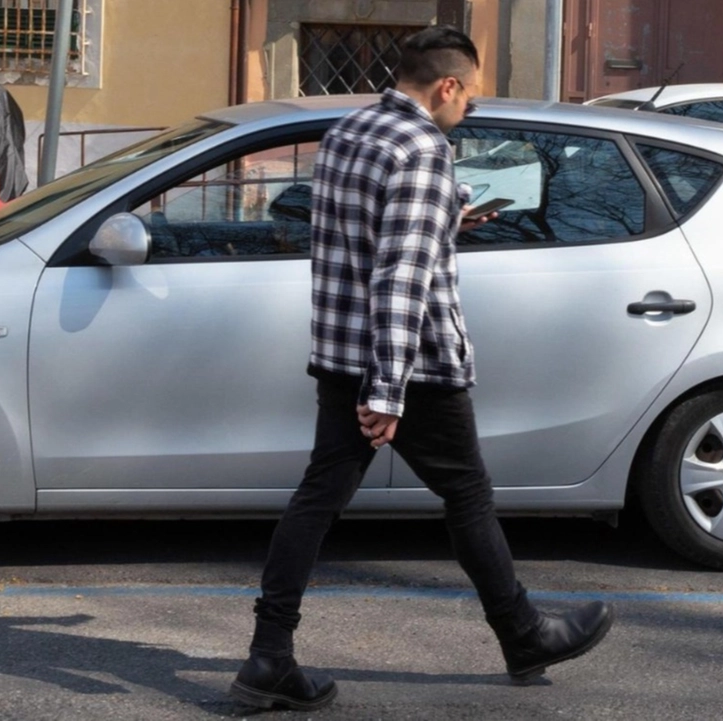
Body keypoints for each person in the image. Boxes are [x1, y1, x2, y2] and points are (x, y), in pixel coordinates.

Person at [230, 25, 614, 712]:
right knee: (467, 494)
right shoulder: (421, 148)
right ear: (447, 86)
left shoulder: (351, 131)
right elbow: (401, 276)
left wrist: (446, 216)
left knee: (317, 499)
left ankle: (269, 655)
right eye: (470, 99)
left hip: (340, 350)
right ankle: (524, 632)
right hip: (412, 364)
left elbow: (361, 231)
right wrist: (388, 389)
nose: (470, 111)